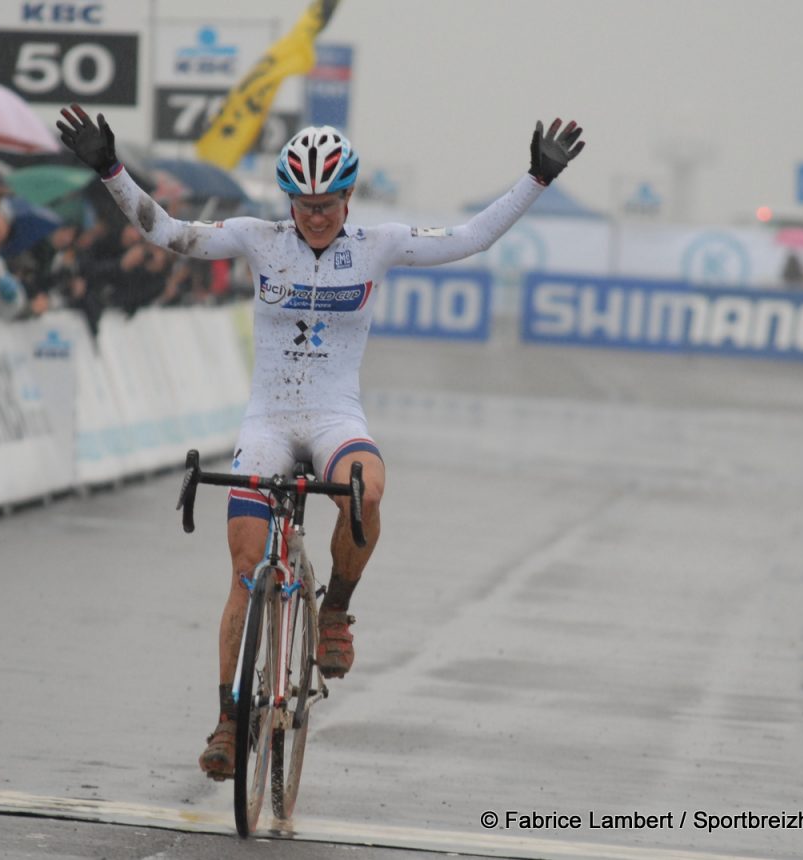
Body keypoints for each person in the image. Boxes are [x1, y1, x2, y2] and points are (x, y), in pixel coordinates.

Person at [57, 104, 585, 780]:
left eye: (327, 203)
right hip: (269, 421)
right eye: (304, 203)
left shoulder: (379, 244)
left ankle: (335, 610)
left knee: (366, 489)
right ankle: (228, 718)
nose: (315, 215)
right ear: (290, 199)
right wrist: (110, 170)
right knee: (247, 573)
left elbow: (470, 238)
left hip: (336, 415)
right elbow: (167, 233)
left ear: (348, 197)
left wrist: (536, 179)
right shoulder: (257, 238)